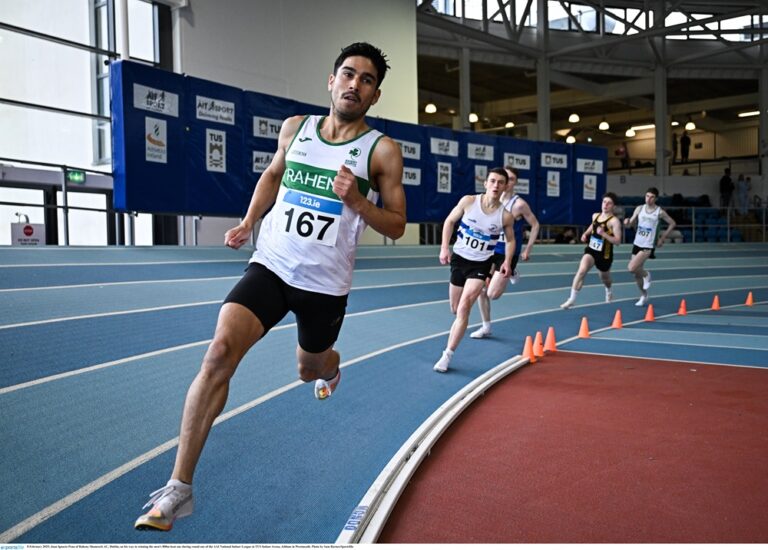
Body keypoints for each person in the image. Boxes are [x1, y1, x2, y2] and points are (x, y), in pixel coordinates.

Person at [133, 42, 406, 531]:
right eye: (348, 74)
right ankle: (179, 488)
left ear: (375, 94)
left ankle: (331, 365)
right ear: (331, 80)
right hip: (272, 265)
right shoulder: (295, 129)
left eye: (366, 80)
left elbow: (398, 224)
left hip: (324, 285)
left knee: (309, 368)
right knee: (218, 353)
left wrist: (358, 202)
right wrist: (247, 221)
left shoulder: (381, 151)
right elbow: (273, 176)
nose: (354, 84)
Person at [433, 168, 516, 372]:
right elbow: (450, 221)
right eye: (493, 181)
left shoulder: (505, 216)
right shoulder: (469, 201)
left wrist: (506, 261)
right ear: (486, 183)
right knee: (455, 308)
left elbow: (511, 239)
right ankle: (457, 331)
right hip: (460, 260)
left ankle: (447, 355)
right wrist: (444, 247)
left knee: (464, 307)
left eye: (500, 182)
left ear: (505, 187)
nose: (496, 185)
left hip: (481, 265)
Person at [470, 166, 539, 339]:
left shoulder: (519, 205)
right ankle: (486, 326)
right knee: (480, 289)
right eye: (504, 178)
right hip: (489, 250)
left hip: (507, 253)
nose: (506, 182)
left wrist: (528, 248)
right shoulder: (490, 200)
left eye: (511, 179)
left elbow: (536, 225)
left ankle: (512, 270)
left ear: (513, 183)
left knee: (492, 294)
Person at [560, 192, 622, 309]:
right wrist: (585, 233)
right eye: (604, 202)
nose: (606, 205)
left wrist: (604, 234)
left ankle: (608, 291)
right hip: (592, 250)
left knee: (605, 278)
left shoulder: (614, 222)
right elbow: (592, 225)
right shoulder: (595, 216)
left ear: (613, 206)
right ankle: (572, 299)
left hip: (605, 254)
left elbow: (618, 241)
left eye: (609, 203)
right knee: (582, 270)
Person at [623, 187, 677, 307]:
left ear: (656, 198)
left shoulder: (659, 212)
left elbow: (672, 223)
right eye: (647, 196)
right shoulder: (639, 209)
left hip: (648, 245)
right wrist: (627, 222)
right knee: (636, 274)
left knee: (631, 268)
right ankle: (644, 295)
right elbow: (630, 223)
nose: (649, 199)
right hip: (637, 243)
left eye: (652, 197)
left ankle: (646, 274)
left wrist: (663, 237)